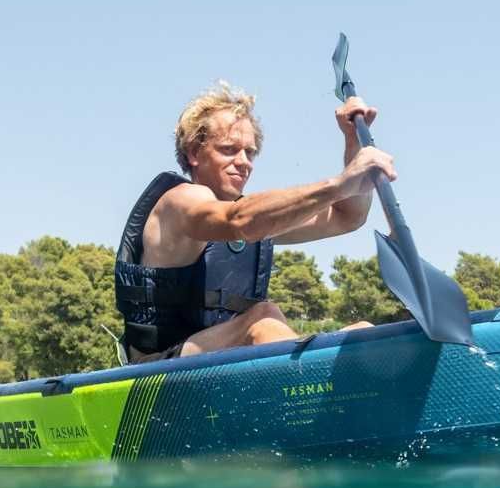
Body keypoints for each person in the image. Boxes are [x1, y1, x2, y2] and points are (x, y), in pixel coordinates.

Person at [114, 82, 395, 360]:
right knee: (263, 318)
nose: (243, 162)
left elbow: (348, 216)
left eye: (249, 152)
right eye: (228, 149)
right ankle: (304, 391)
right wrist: (340, 184)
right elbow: (240, 220)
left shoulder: (257, 218)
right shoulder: (181, 202)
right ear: (193, 153)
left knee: (362, 335)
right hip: (156, 374)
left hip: (220, 367)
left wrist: (353, 144)